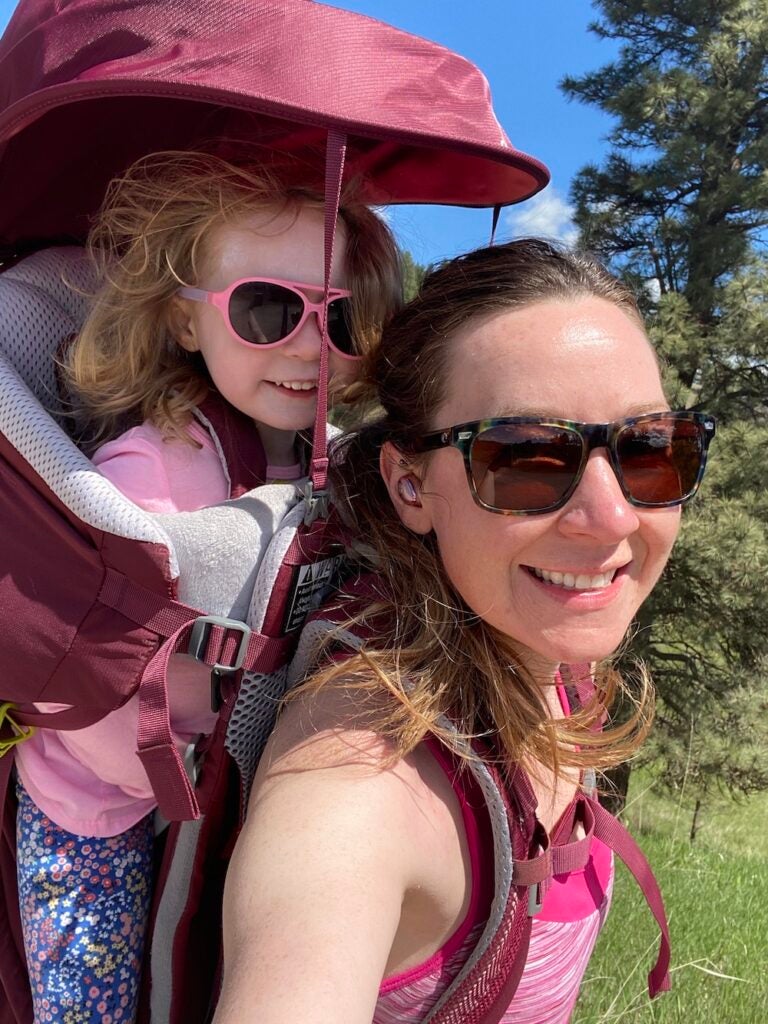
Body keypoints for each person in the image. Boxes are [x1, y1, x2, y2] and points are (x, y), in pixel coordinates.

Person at [213, 239, 715, 1023]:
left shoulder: (543, 650)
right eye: (525, 457)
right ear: (410, 484)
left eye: (650, 449)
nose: (613, 516)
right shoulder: (356, 790)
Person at [13, 148, 401, 1024]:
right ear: (186, 324)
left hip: (213, 788)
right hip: (97, 805)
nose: (312, 347)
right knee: (94, 1006)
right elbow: (108, 693)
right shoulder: (153, 470)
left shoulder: (321, 453)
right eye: (267, 310)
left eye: (338, 319)